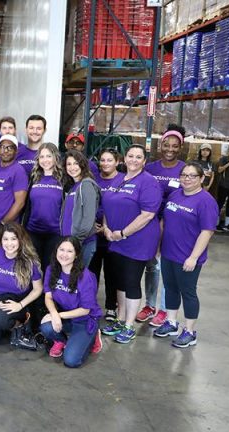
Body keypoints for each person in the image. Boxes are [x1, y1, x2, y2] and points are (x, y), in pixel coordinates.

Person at [100, 145, 162, 344]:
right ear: (124, 159)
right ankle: (120, 319)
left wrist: (123, 233)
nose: (134, 160)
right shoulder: (118, 179)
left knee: (131, 282)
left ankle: (129, 326)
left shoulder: (149, 183)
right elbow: (108, 205)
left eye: (138, 157)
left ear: (144, 161)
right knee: (119, 281)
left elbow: (147, 215)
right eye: (130, 156)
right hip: (115, 239)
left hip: (138, 241)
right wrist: (107, 229)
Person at [152, 163, 217, 348]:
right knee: (170, 288)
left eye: (192, 176)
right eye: (184, 175)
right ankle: (171, 323)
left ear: (201, 179)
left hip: (188, 257)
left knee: (188, 293)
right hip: (169, 252)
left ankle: (189, 331)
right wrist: (159, 247)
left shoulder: (206, 201)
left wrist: (194, 257)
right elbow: (164, 221)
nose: (187, 179)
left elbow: (207, 231)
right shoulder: (175, 194)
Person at [141, 126, 186, 327]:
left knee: (167, 266)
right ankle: (149, 305)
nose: (170, 149)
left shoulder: (185, 170)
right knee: (152, 265)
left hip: (173, 225)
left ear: (180, 147)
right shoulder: (150, 168)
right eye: (166, 145)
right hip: (150, 223)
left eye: (175, 146)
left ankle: (165, 310)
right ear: (161, 145)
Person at [40, 237, 103, 367]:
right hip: (66, 316)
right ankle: (61, 341)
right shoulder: (51, 269)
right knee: (46, 326)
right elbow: (48, 296)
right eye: (61, 249)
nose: (64, 254)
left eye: (69, 251)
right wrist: (54, 313)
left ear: (76, 255)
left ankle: (93, 335)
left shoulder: (86, 277)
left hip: (84, 319)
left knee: (71, 361)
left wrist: (58, 316)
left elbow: (85, 309)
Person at [0, 223, 43, 346]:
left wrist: (20, 305)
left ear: (20, 239)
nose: (9, 243)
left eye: (13, 239)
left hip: (18, 301)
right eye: (6, 239)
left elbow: (38, 289)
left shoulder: (29, 260)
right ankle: (8, 325)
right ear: (1, 240)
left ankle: (22, 322)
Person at [88, 148, 125, 322]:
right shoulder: (94, 180)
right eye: (102, 160)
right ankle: (90, 305)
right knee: (91, 273)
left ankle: (111, 307)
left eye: (109, 160)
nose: (105, 164)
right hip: (93, 234)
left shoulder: (123, 180)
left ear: (117, 162)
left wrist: (106, 227)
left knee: (112, 274)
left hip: (113, 235)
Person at [24, 143, 67, 271]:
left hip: (55, 233)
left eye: (49, 156)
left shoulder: (64, 179)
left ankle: (47, 292)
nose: (45, 160)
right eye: (42, 157)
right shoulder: (34, 177)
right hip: (33, 231)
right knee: (34, 268)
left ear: (55, 158)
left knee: (50, 268)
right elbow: (27, 205)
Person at [0, 134, 28, 245]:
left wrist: (3, 223)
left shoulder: (18, 171)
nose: (6, 150)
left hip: (7, 228)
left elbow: (20, 203)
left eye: (10, 148)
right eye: (3, 147)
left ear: (16, 151)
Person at [61, 149, 100, 267]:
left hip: (81, 244)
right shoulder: (74, 186)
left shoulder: (87, 185)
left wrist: (75, 242)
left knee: (77, 281)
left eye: (76, 163)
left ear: (82, 165)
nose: (72, 167)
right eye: (69, 164)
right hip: (69, 243)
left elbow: (88, 219)